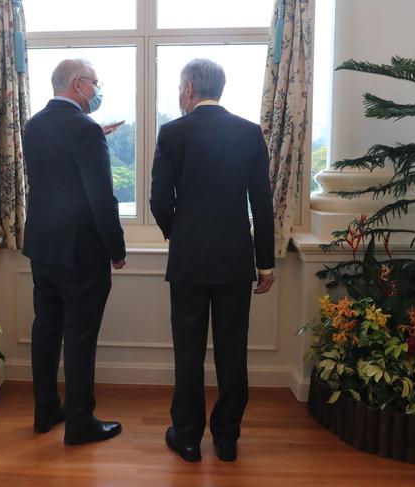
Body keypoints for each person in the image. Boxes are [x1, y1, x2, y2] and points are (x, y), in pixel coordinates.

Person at [150, 58, 275, 462]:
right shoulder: (249, 132)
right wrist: (266, 263)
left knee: (187, 351)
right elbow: (262, 203)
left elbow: (157, 200)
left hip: (188, 260)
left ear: (188, 88)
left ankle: (187, 438)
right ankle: (226, 438)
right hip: (236, 260)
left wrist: (178, 232)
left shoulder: (172, 132)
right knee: (232, 350)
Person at [22, 58, 126, 446]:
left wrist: (94, 133)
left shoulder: (34, 124)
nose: (97, 90)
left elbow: (56, 169)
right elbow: (102, 197)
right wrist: (116, 248)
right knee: (80, 336)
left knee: (46, 329)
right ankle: (80, 422)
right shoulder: (84, 129)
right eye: (96, 83)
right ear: (79, 83)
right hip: (81, 251)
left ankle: (45, 411)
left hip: (42, 246)